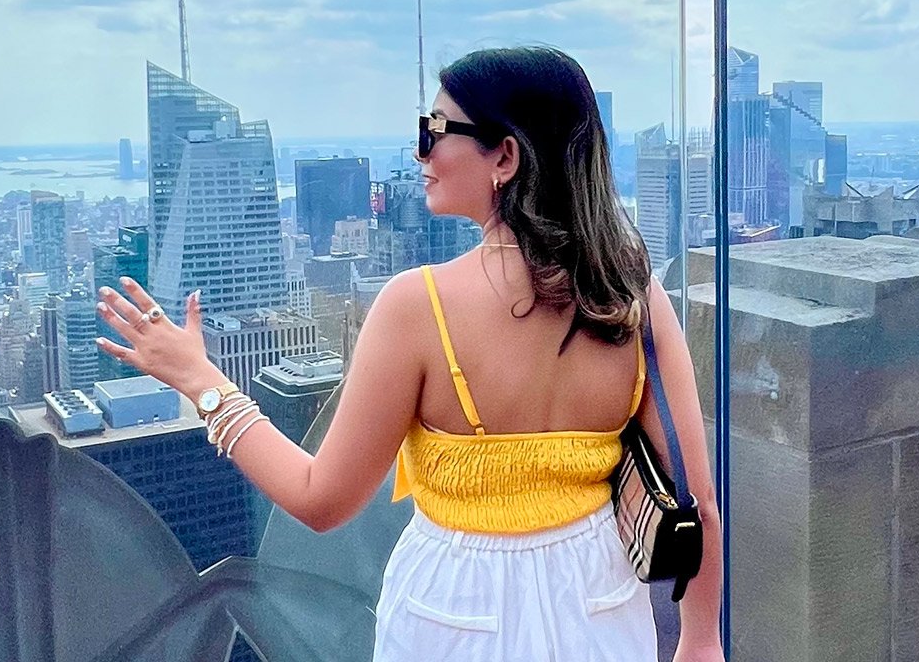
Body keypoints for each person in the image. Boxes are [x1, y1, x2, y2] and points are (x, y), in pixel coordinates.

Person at [97, 46, 723, 662]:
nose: (421, 151)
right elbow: (698, 500)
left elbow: (322, 499)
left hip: (452, 608)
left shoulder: (417, 306)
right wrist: (701, 640)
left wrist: (201, 381)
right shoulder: (630, 298)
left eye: (435, 130)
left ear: (504, 155)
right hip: (601, 602)